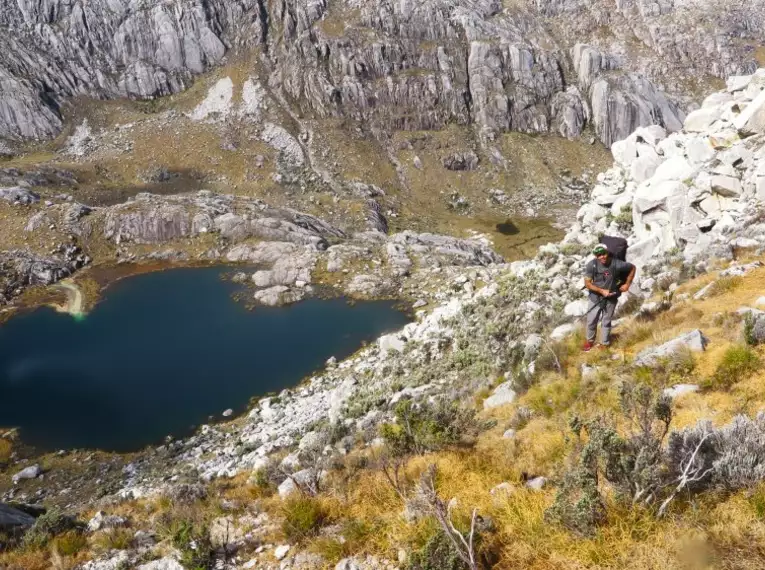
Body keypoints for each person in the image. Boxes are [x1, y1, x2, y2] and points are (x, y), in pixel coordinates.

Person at [583, 243, 635, 351]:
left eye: (603, 254)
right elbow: (587, 284)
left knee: (606, 321)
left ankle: (604, 343)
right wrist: (602, 291)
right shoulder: (591, 265)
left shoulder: (617, 264)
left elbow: (632, 268)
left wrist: (627, 284)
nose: (601, 257)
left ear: (607, 252)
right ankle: (590, 341)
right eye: (598, 255)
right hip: (595, 298)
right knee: (591, 320)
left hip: (611, 297)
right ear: (595, 256)